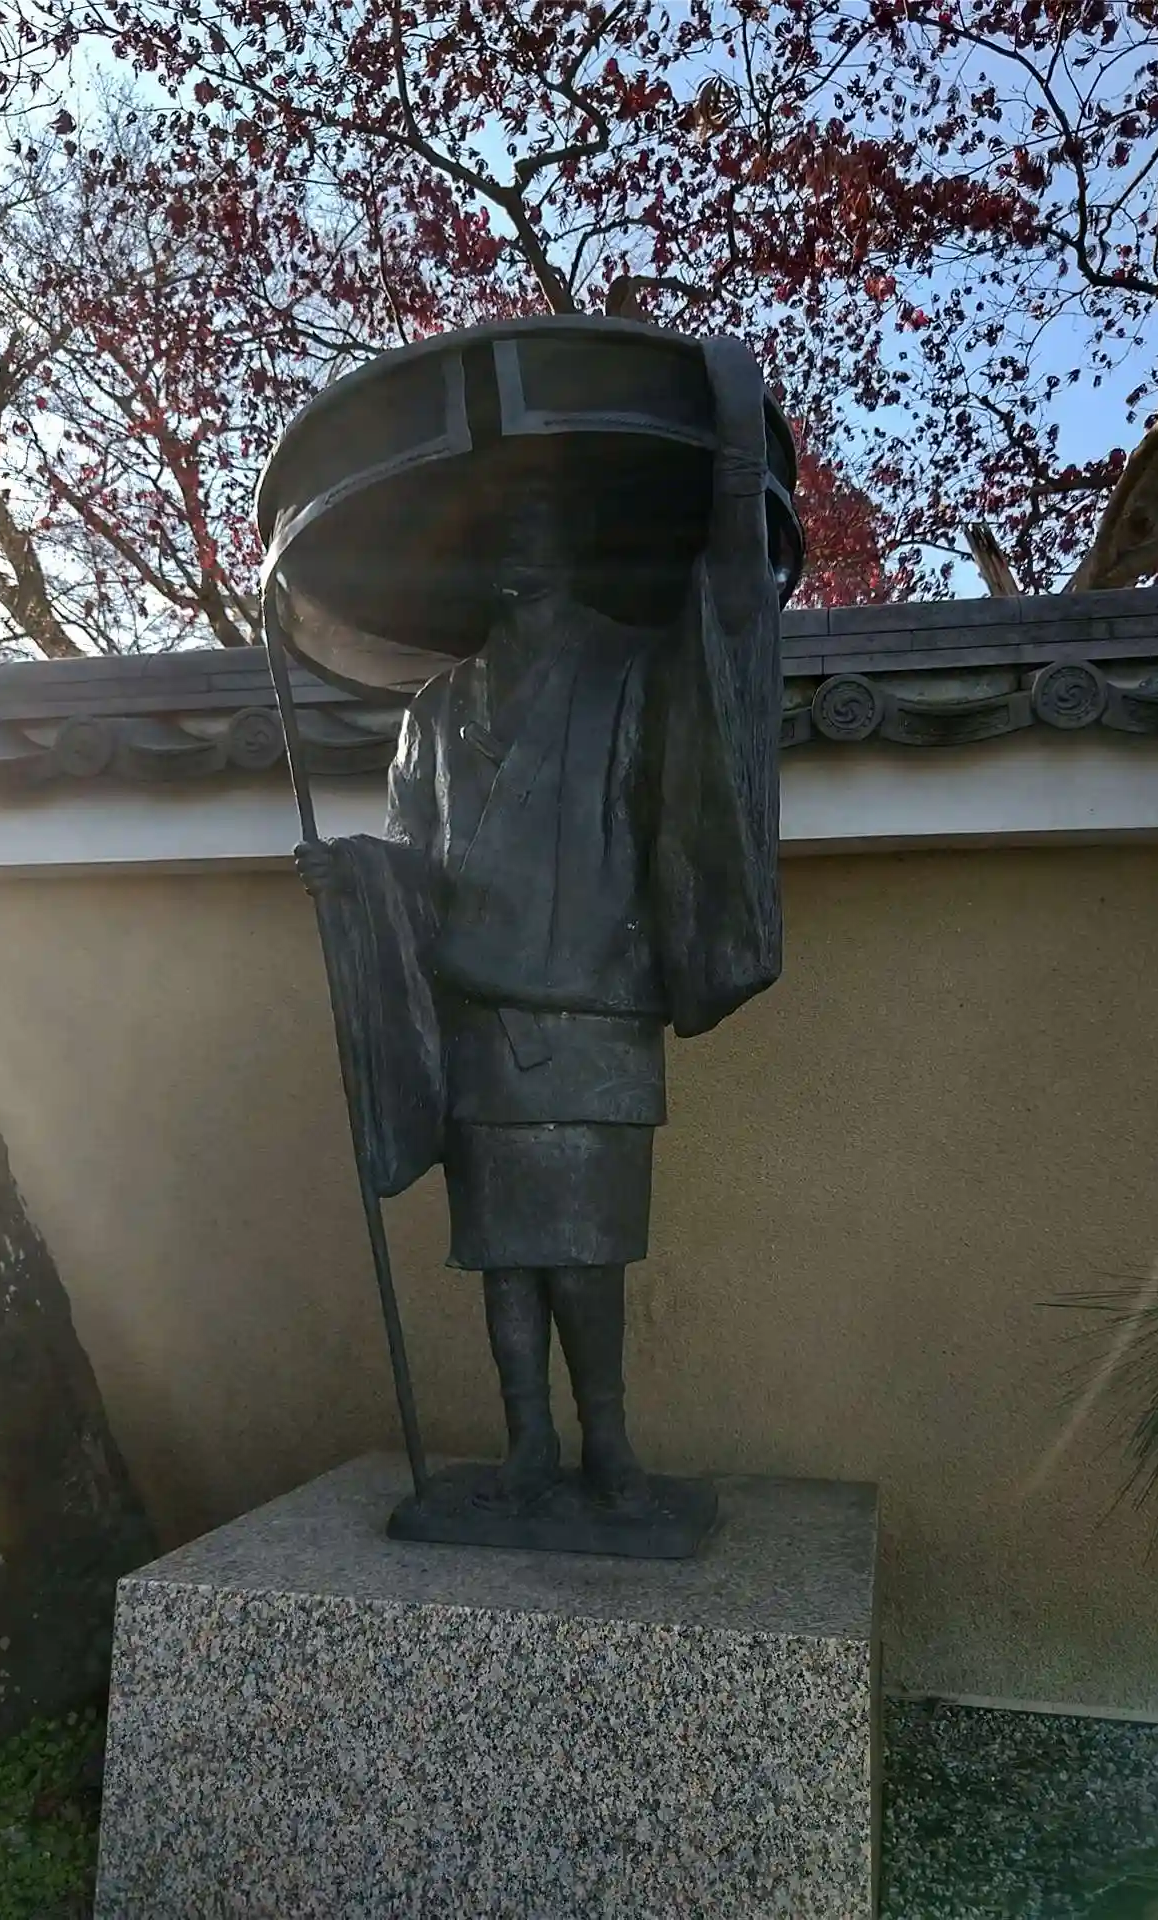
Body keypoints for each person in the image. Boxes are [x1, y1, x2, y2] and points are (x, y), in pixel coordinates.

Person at [296, 334, 783, 1516]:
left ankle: (606, 1444)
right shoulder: (433, 712)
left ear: (573, 542)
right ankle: (527, 1445)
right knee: (501, 1255)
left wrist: (732, 475)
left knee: (586, 1249)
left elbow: (729, 641)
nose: (517, 547)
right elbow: (415, 861)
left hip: (591, 1016)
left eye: (538, 525)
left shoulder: (634, 672)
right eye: (500, 532)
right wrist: (355, 877)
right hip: (477, 1015)